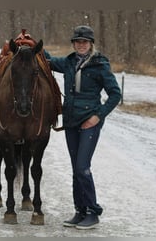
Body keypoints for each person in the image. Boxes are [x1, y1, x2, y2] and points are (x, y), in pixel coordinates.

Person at [44, 25, 121, 229]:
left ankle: (93, 212)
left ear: (91, 44)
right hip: (71, 121)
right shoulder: (68, 62)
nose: (81, 45)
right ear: (73, 43)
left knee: (82, 167)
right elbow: (48, 61)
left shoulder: (100, 65)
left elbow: (115, 94)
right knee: (75, 169)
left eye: (84, 42)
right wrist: (32, 44)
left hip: (89, 122)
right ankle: (80, 211)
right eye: (77, 41)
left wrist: (98, 115)